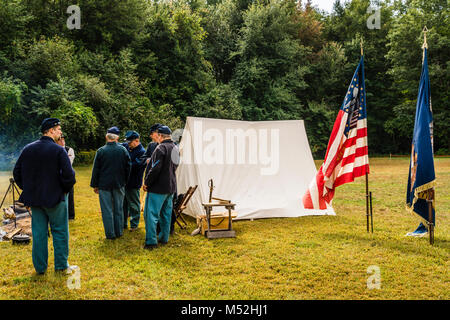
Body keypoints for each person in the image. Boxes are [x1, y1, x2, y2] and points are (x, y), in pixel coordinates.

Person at [13, 118, 77, 275]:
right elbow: (69, 176)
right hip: (55, 199)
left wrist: (28, 189)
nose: (60, 132)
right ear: (50, 131)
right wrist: (64, 191)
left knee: (39, 233)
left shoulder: (28, 149)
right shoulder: (58, 150)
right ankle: (61, 265)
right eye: (58, 129)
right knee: (60, 231)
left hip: (35, 201)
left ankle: (40, 268)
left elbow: (17, 173)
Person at [90, 127, 131, 240]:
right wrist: (124, 181)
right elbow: (128, 167)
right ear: (117, 137)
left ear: (106, 137)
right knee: (118, 208)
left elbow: (96, 169)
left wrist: (95, 184)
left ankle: (110, 234)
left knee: (107, 210)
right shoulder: (123, 150)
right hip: (119, 183)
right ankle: (119, 232)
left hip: (104, 185)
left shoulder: (101, 151)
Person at [142, 125, 179, 249]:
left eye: (157, 135)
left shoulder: (161, 148)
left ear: (161, 136)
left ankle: (151, 242)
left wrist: (147, 182)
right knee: (166, 214)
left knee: (151, 215)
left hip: (158, 188)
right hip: (171, 186)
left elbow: (155, 168)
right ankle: (164, 238)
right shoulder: (175, 147)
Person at [122, 131, 146, 231]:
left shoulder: (142, 152)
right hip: (124, 181)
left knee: (134, 205)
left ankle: (134, 224)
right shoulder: (127, 147)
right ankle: (123, 223)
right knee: (123, 204)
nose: (128, 144)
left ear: (137, 141)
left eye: (130, 142)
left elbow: (134, 166)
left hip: (133, 182)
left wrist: (122, 164)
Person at [57, 134, 76, 220]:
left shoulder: (69, 150)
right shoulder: (55, 149)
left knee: (70, 195)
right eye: (60, 139)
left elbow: (69, 162)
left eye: (63, 139)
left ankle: (71, 216)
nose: (62, 141)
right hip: (57, 176)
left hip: (67, 175)